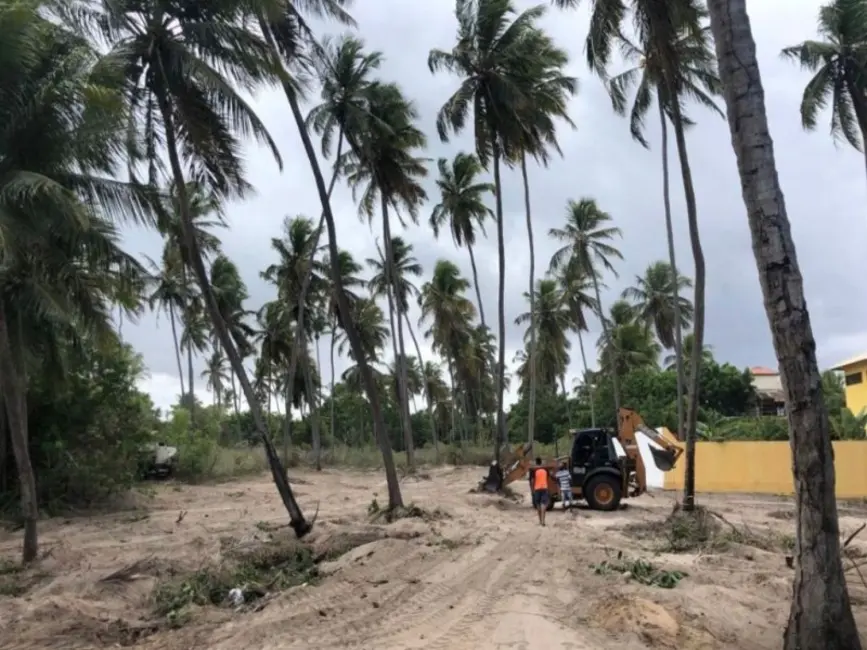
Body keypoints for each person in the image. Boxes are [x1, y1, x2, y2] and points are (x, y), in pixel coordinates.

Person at [529, 457, 549, 526]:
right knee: (543, 504)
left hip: (537, 489)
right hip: (544, 488)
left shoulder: (534, 470)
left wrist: (532, 490)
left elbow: (532, 481)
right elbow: (547, 478)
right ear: (541, 462)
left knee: (538, 504)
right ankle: (543, 521)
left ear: (536, 462)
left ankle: (540, 521)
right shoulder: (545, 469)